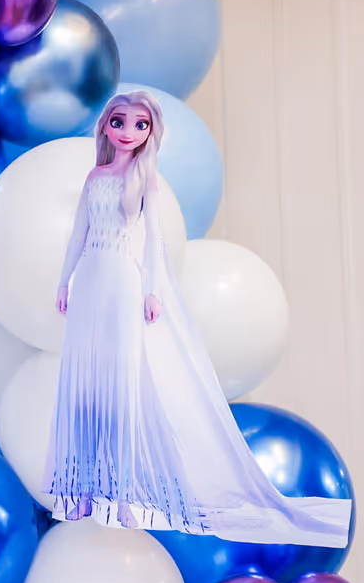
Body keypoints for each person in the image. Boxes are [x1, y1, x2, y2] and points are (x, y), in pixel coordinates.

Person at [47, 90, 352, 547]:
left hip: (123, 282)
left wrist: (152, 289)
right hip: (90, 278)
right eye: (120, 122)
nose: (128, 132)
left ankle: (125, 493)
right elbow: (79, 233)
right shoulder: (96, 176)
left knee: (124, 385)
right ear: (107, 126)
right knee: (87, 383)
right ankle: (85, 489)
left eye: (140, 125)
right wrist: (64, 280)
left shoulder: (144, 179)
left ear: (151, 133)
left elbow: (153, 240)